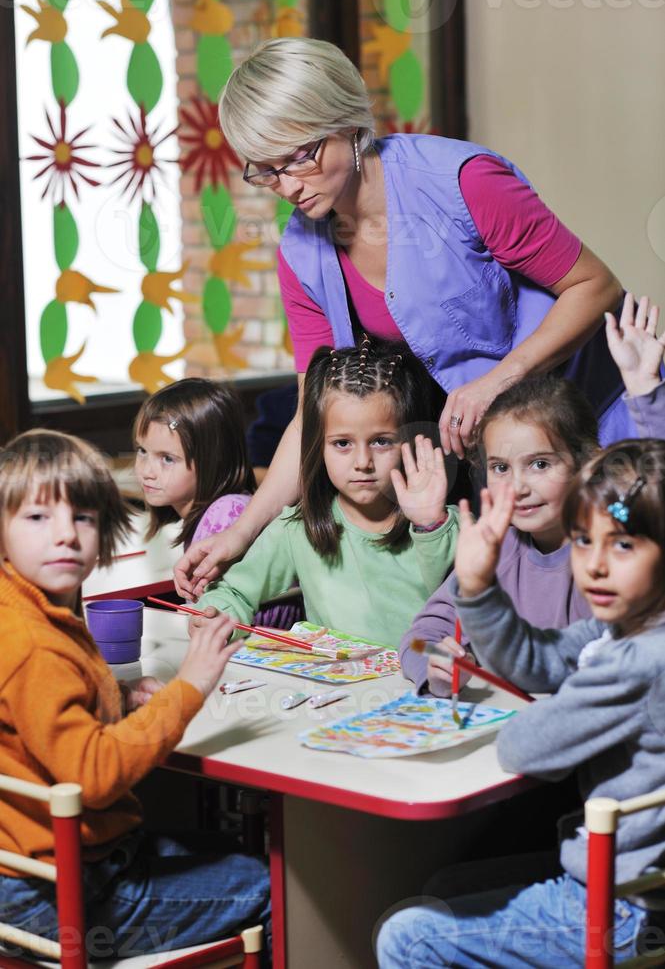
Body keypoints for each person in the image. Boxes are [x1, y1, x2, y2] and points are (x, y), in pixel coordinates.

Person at [175, 35, 625, 600]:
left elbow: (595, 285)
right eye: (266, 170)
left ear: (346, 121)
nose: (288, 185)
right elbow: (310, 416)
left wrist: (498, 380)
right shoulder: (301, 250)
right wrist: (240, 534)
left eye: (300, 156)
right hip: (508, 449)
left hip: (601, 411)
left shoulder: (464, 183)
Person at [376, 437, 665, 967]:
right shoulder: (623, 631)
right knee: (444, 886)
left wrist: (566, 701)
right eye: (583, 541)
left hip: (625, 910)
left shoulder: (635, 661)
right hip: (630, 886)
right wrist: (477, 584)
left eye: (622, 545)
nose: (596, 565)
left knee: (406, 937)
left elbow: (523, 747)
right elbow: (534, 661)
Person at [0, 429, 270, 959]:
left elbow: (40, 714)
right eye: (38, 518)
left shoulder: (21, 610)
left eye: (83, 517)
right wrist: (189, 684)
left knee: (234, 850)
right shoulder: (34, 644)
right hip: (62, 894)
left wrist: (117, 700)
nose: (66, 536)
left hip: (39, 865)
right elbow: (95, 776)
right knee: (272, 884)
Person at [401, 292, 665, 696]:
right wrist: (436, 662)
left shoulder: (613, 542)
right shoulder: (499, 544)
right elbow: (420, 634)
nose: (518, 487)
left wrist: (647, 394)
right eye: (500, 468)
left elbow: (658, 490)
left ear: (585, 464)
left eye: (540, 464)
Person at [196, 340, 459, 649]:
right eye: (342, 444)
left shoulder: (445, 526)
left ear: (410, 442)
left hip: (424, 689)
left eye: (380, 441)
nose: (362, 463)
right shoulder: (296, 529)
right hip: (333, 695)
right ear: (317, 446)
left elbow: (466, 607)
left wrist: (430, 526)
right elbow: (234, 593)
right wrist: (216, 617)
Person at [134, 377, 256, 550]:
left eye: (167, 458)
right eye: (142, 451)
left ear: (213, 460)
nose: (147, 472)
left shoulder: (226, 513)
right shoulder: (208, 517)